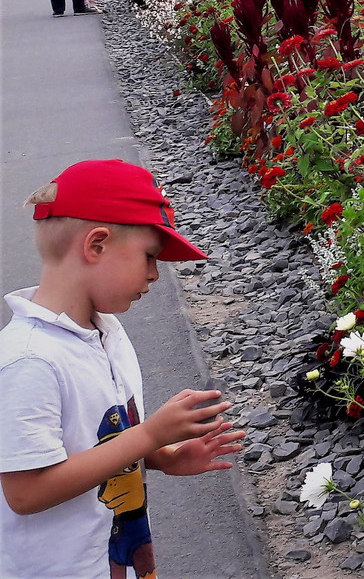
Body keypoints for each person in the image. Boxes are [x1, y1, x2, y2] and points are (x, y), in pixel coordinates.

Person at [0, 159, 245, 579]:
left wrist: (159, 455)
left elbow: (97, 435)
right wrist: (149, 434)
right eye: (150, 256)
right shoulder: (29, 360)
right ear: (96, 245)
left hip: (114, 557)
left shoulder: (106, 332)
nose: (153, 275)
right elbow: (25, 491)